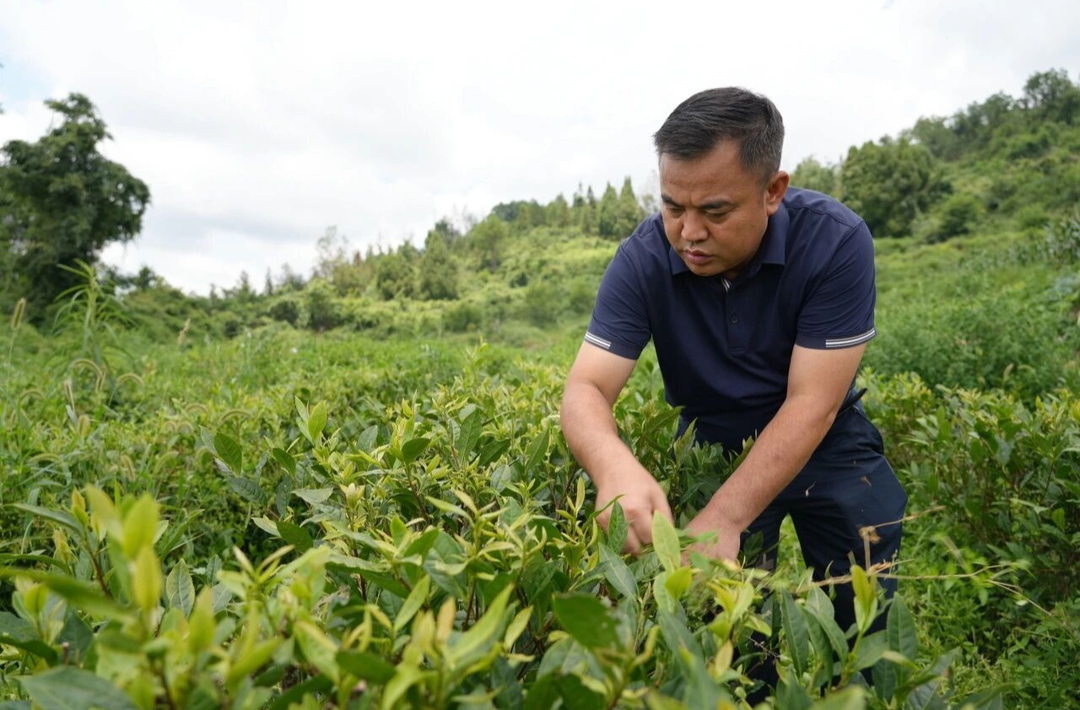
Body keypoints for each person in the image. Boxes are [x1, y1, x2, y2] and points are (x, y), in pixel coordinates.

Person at [559, 87, 907, 636]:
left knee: (861, 613)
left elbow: (813, 404)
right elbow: (586, 387)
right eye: (672, 206)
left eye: (714, 211)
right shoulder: (643, 260)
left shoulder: (835, 242)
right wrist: (612, 466)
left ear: (773, 191)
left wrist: (726, 517)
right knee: (731, 631)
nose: (688, 233)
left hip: (825, 438)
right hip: (713, 442)